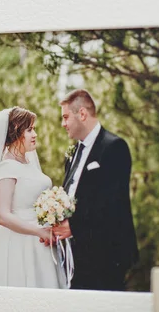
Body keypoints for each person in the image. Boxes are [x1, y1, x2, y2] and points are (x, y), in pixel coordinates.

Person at [52, 89, 139, 291]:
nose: (63, 124)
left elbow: (111, 203)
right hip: (76, 254)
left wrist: (73, 226)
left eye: (66, 117)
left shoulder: (114, 147)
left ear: (82, 114)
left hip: (106, 253)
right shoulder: (72, 154)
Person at [0, 107, 60, 288]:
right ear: (17, 129)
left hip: (42, 244)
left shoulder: (29, 164)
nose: (35, 134)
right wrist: (38, 231)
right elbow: (3, 215)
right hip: (20, 245)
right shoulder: (7, 167)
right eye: (30, 129)